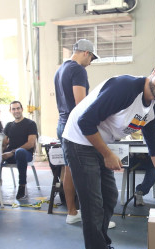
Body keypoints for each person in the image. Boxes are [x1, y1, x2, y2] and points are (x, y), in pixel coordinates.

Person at [62, 55, 155, 249]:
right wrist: (107, 154)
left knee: (110, 197)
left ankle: (103, 248)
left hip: (99, 143)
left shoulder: (152, 110)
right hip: (78, 140)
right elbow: (85, 122)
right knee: (93, 205)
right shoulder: (125, 88)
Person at [54, 38, 98, 224]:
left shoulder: (60, 69)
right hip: (75, 127)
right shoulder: (78, 70)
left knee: (69, 169)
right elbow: (81, 103)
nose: (90, 63)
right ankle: (92, 217)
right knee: (86, 171)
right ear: (86, 53)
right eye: (92, 59)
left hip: (61, 124)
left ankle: (72, 211)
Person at [0, 101, 38, 199]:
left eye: (18, 108)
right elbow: (4, 143)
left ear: (22, 109)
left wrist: (11, 152)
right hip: (10, 155)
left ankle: (22, 186)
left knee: (20, 152)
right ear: (10, 111)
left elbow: (31, 143)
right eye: (13, 109)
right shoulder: (9, 125)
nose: (16, 111)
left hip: (25, 154)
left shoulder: (30, 124)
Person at [127, 120, 155, 206]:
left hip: (149, 156)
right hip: (133, 157)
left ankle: (140, 191)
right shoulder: (130, 119)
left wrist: (148, 135)